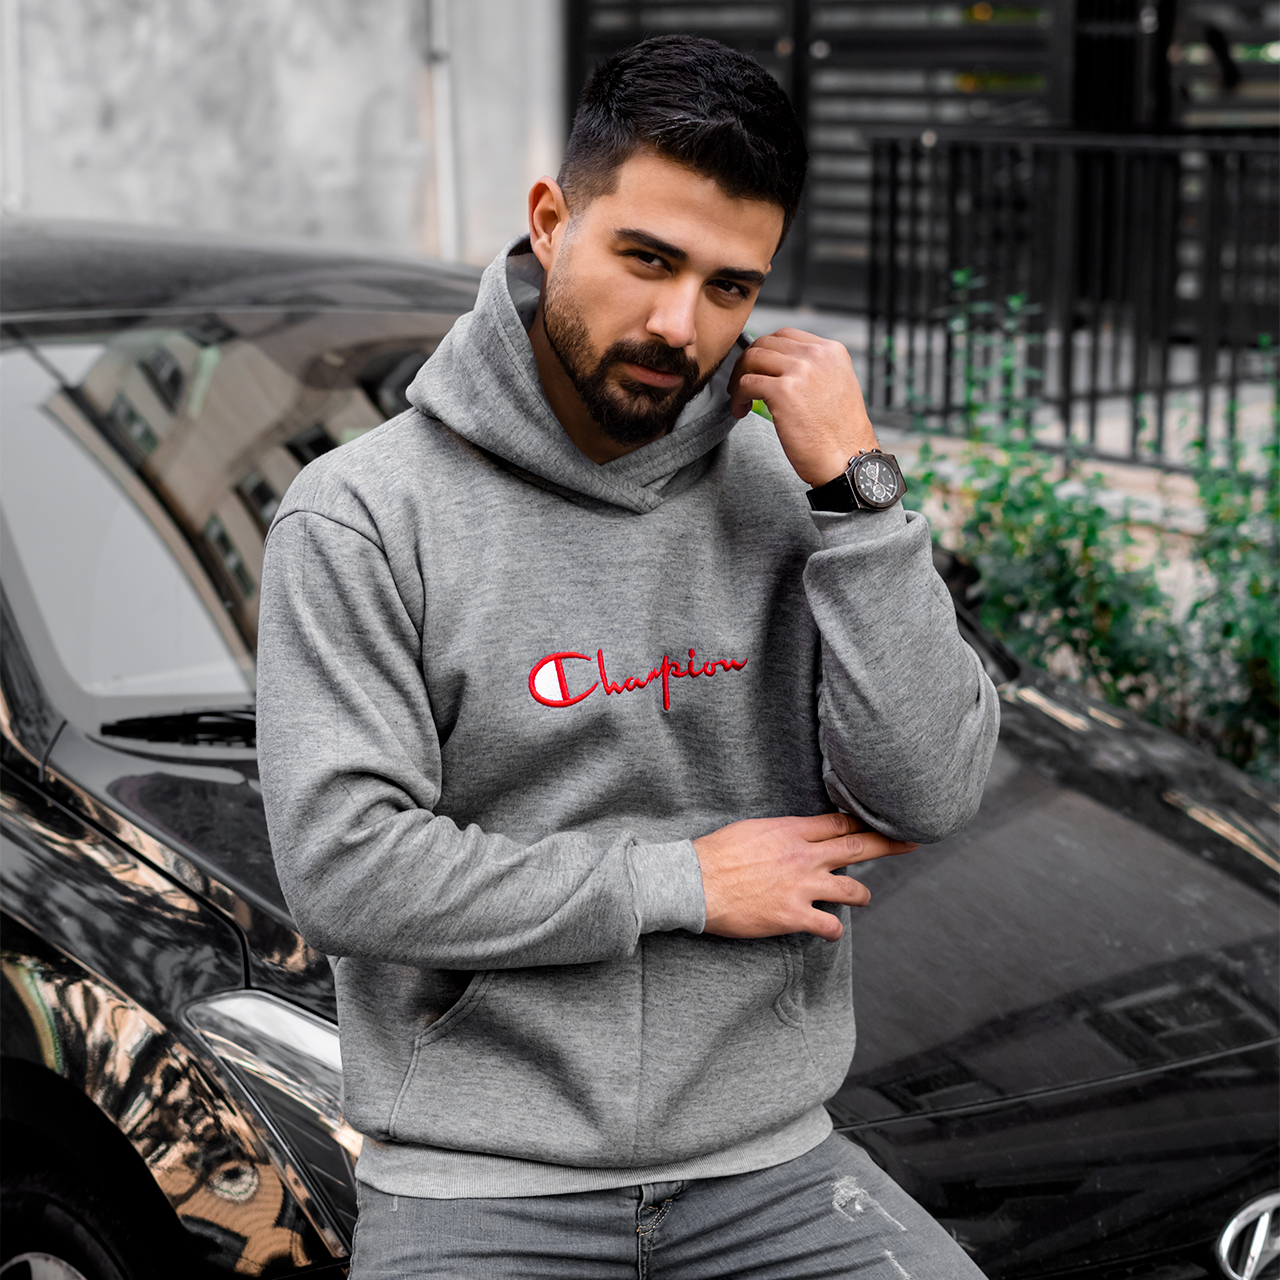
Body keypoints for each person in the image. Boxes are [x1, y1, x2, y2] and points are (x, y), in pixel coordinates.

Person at [256, 34, 998, 1279]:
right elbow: (345, 869)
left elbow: (926, 788)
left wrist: (860, 494)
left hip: (771, 1170)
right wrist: (681, 882)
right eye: (646, 258)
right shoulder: (365, 514)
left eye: (728, 286)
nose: (677, 323)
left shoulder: (799, 487)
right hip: (479, 1184)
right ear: (551, 221)